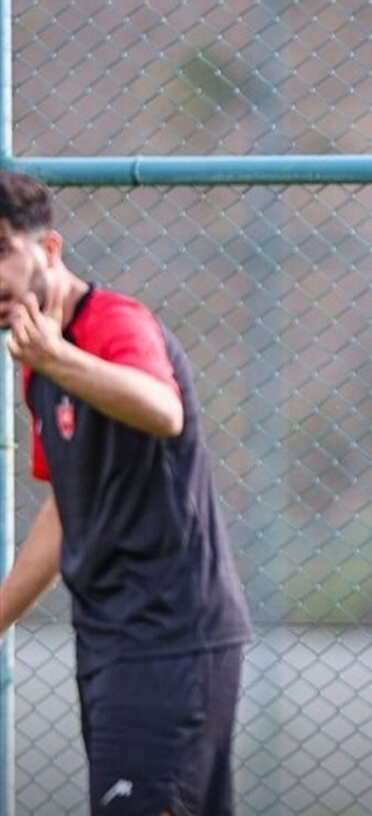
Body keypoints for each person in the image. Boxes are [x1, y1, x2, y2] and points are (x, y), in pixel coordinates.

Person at [0, 170, 252, 815]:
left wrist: (57, 359)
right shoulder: (40, 365)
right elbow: (68, 505)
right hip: (111, 640)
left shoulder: (112, 322)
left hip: (170, 636)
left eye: (2, 251)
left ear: (48, 248)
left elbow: (162, 409)